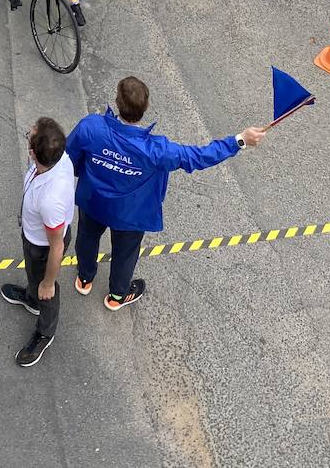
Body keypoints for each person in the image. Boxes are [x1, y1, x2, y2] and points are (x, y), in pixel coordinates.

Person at [66, 77, 266, 310]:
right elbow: (199, 156)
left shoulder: (91, 127)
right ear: (145, 108)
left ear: (117, 102)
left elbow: (68, 158)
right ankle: (116, 297)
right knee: (125, 254)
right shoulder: (157, 150)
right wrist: (239, 140)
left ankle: (84, 278)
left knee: (87, 238)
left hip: (93, 202)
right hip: (131, 215)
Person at [0, 116, 75, 369]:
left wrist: (48, 282)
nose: (28, 133)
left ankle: (45, 331)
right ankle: (32, 298)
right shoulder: (59, 158)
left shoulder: (50, 200)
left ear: (33, 153)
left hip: (43, 249)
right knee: (33, 278)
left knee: (46, 292)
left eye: (29, 135)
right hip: (34, 239)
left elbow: (57, 247)